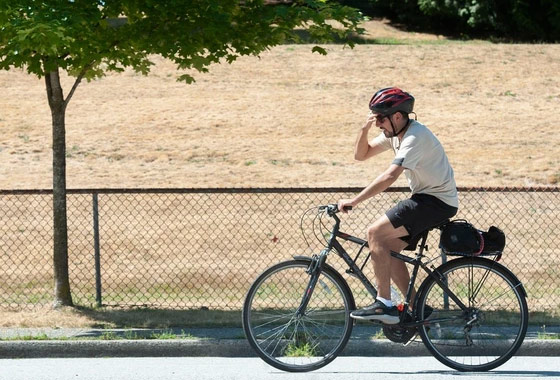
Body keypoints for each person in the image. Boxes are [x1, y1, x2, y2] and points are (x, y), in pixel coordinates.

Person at [337, 87, 458, 324]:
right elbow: (361, 155)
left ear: (398, 116)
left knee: (374, 233)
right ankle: (416, 308)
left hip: (435, 201)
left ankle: (384, 305)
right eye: (376, 118)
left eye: (381, 118)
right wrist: (364, 129)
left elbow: (390, 176)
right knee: (387, 252)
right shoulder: (396, 135)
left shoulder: (415, 137)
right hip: (429, 199)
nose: (378, 123)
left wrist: (354, 201)